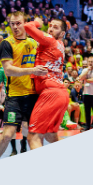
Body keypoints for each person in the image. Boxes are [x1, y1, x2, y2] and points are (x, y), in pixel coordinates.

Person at [0, 12, 41, 161]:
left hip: (33, 96)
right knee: (7, 134)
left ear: (25, 24)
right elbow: (8, 70)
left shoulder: (34, 43)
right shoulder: (7, 43)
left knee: (35, 134)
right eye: (12, 24)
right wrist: (32, 70)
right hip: (14, 97)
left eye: (18, 23)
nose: (15, 27)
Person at [20, 18, 65, 150]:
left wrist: (38, 22)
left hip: (50, 93)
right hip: (61, 94)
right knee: (51, 136)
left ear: (62, 33)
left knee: (33, 137)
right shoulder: (60, 45)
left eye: (55, 27)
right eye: (50, 26)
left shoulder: (50, 40)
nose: (50, 29)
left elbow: (27, 27)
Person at [78, 56, 93, 130]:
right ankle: (87, 126)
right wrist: (87, 71)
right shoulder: (85, 70)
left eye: (92, 62)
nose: (90, 63)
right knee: (87, 111)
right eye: (89, 61)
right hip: (86, 93)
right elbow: (80, 78)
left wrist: (85, 79)